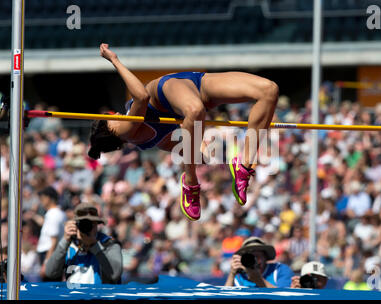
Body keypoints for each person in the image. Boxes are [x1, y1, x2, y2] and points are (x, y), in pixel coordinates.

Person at [88, 43, 279, 221]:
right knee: (195, 111)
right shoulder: (126, 131)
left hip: (174, 88)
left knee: (269, 90)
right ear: (109, 130)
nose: (117, 113)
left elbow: (144, 95)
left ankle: (242, 165)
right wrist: (113, 59)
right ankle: (190, 182)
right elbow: (141, 96)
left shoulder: (143, 134)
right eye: (110, 116)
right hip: (191, 92)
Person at [45, 203, 123, 284]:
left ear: (97, 225)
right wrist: (65, 241)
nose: (87, 227)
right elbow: (50, 273)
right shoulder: (69, 246)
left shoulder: (108, 245)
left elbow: (115, 274)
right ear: (75, 225)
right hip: (73, 295)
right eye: (82, 224)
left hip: (99, 296)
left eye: (91, 224)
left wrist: (94, 246)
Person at [224, 236, 294, 288]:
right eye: (250, 257)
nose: (255, 260)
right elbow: (225, 299)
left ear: (265, 257)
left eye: (257, 256)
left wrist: (259, 280)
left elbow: (284, 297)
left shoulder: (279, 270)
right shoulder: (240, 277)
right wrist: (232, 274)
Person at [36, 186, 66, 280]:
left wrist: (46, 263)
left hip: (50, 255)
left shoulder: (53, 214)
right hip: (52, 255)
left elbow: (54, 240)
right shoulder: (56, 213)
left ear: (49, 198)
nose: (41, 201)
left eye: (43, 198)